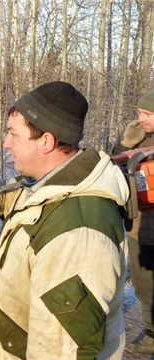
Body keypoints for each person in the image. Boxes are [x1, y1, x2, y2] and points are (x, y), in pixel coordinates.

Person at [0, 81, 129, 359]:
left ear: (46, 141)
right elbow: (13, 197)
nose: (6, 143)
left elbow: (60, 349)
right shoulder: (52, 185)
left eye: (13, 134)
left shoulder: (76, 234)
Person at [111, 89, 154, 355]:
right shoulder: (138, 137)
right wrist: (126, 144)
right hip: (141, 225)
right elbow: (113, 167)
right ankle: (152, 331)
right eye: (139, 112)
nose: (142, 118)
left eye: (148, 114)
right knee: (144, 281)